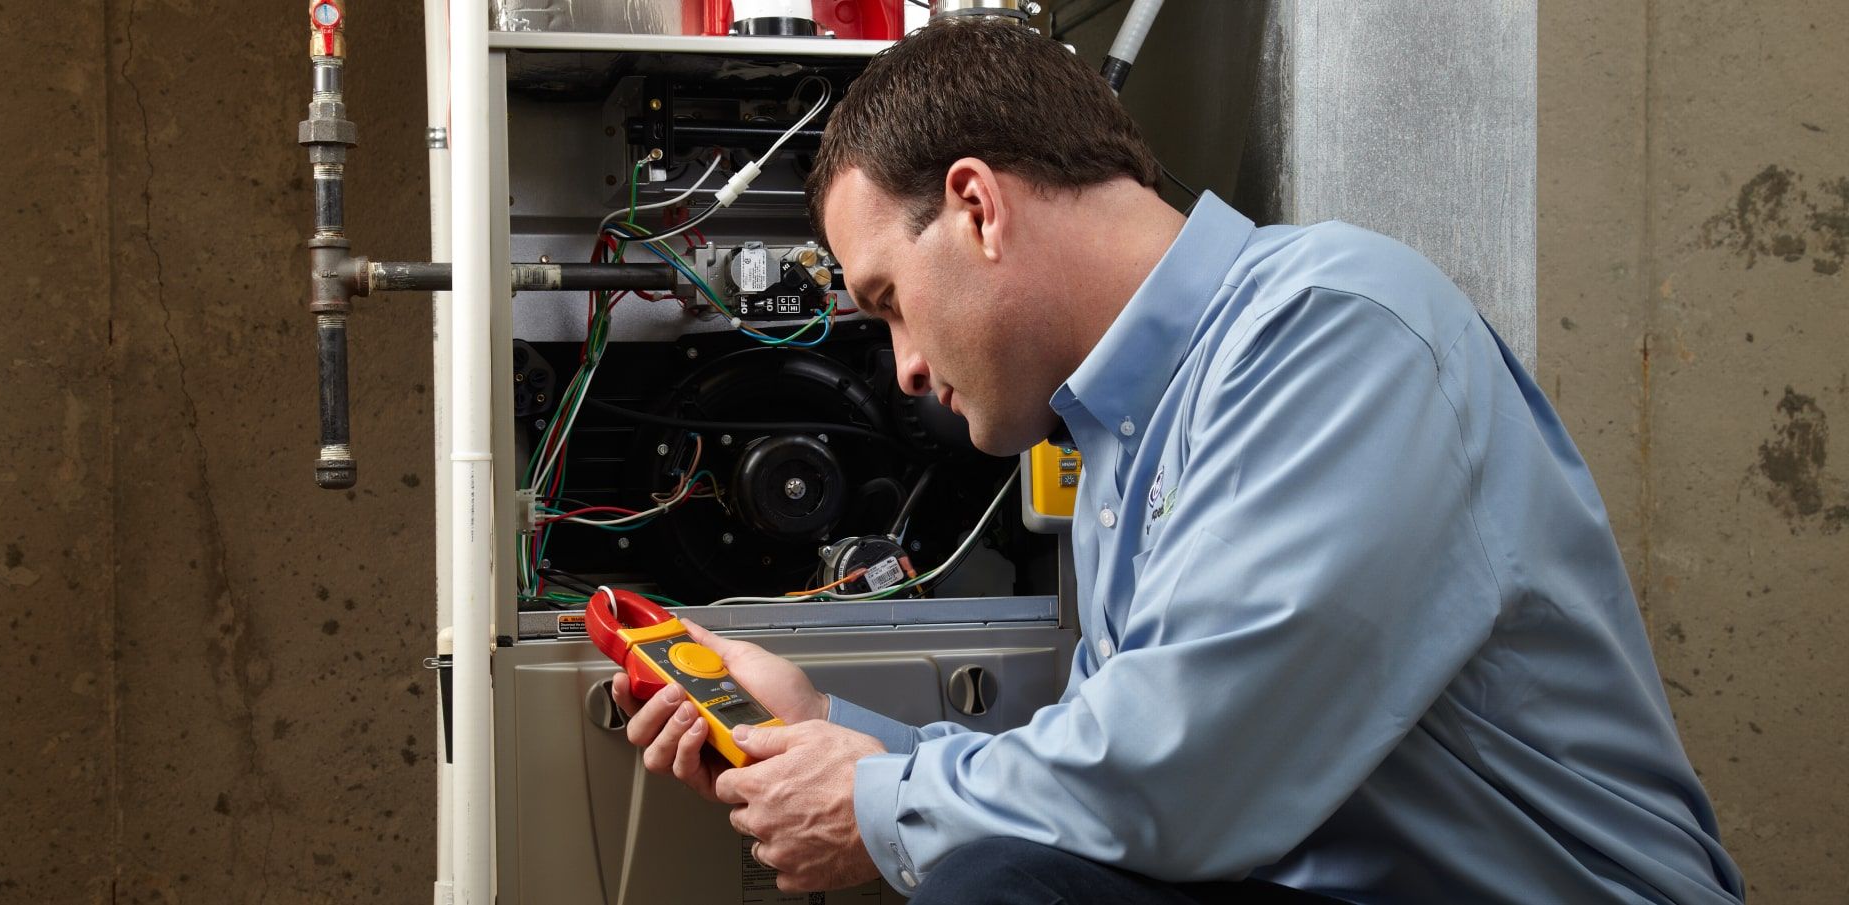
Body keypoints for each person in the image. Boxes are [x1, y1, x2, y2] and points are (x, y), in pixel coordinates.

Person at [612, 18, 1745, 905]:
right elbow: (1112, 785)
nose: (902, 366)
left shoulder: (1335, 325)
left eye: (889, 302)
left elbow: (1183, 777)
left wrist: (870, 800)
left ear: (976, 207)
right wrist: (831, 728)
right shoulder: (1122, 434)